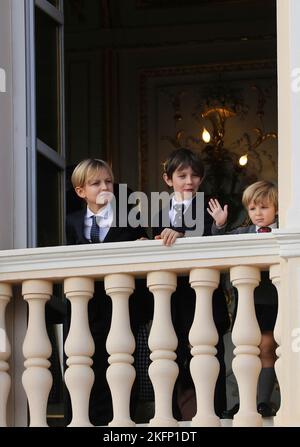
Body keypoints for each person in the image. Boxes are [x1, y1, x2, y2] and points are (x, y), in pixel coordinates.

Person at [65, 158, 148, 426]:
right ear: (81, 191)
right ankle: (88, 418)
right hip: (85, 309)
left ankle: (122, 420)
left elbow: (142, 251)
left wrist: (143, 244)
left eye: (108, 181)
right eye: (96, 183)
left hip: (120, 306)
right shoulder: (72, 222)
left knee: (122, 363)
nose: (104, 186)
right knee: (88, 363)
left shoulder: (129, 218)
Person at [152, 147, 230, 420]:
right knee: (170, 356)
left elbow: (216, 246)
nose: (189, 181)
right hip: (172, 297)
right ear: (168, 179)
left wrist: (219, 226)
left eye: (195, 176)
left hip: (204, 295)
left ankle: (215, 414)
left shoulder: (211, 208)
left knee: (211, 355)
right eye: (182, 175)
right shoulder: (156, 213)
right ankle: (174, 416)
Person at [208, 180, 278, 418]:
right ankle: (243, 401)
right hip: (246, 301)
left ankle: (262, 402)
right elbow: (219, 244)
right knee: (244, 349)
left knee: (267, 348)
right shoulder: (243, 232)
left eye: (264, 208)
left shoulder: (283, 233)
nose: (258, 214)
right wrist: (220, 224)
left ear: (276, 209)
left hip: (271, 301)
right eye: (253, 208)